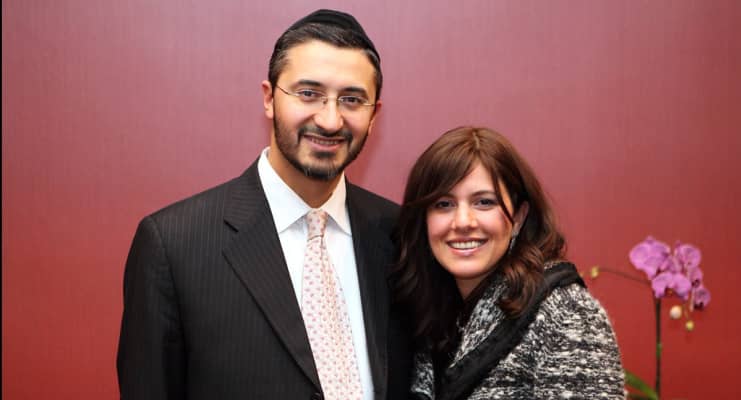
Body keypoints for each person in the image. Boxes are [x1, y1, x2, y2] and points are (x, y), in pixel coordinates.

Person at [117, 9, 411, 400]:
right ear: (270, 98)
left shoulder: (401, 236)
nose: (330, 120)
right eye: (308, 94)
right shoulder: (174, 245)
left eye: (352, 100)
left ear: (374, 115)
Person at [390, 127, 624, 399]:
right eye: (444, 204)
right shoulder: (428, 318)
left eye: (484, 202)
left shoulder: (566, 314)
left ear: (519, 218)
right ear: (423, 220)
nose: (463, 222)